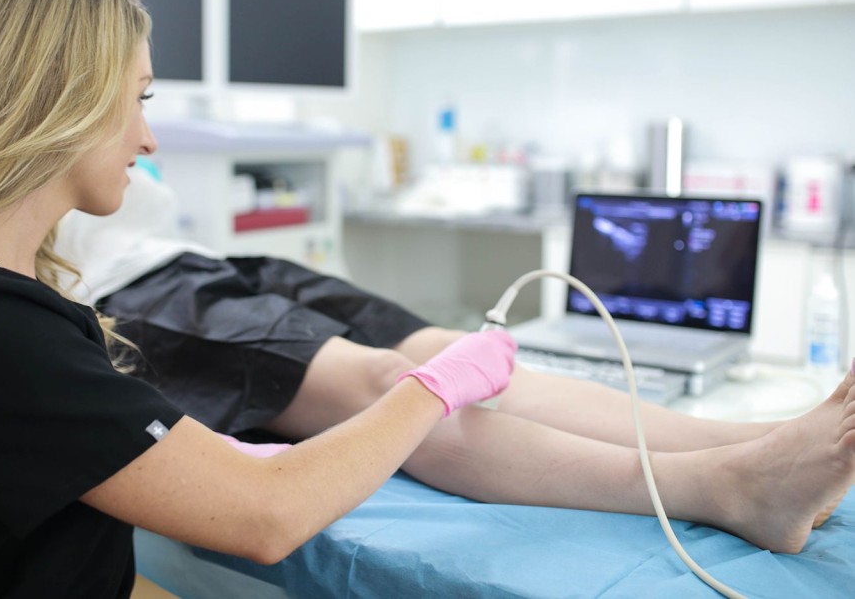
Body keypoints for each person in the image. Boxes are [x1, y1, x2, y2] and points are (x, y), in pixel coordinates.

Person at [0, 0, 516, 599]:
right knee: (383, 372)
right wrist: (432, 388)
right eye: (137, 99)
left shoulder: (8, 300)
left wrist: (193, 458)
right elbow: (265, 515)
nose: (148, 138)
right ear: (59, 99)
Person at [55, 113, 855, 554]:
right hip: (133, 295)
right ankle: (726, 487)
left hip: (196, 258)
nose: (146, 133)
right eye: (133, 102)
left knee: (460, 352)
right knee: (392, 389)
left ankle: (759, 443)